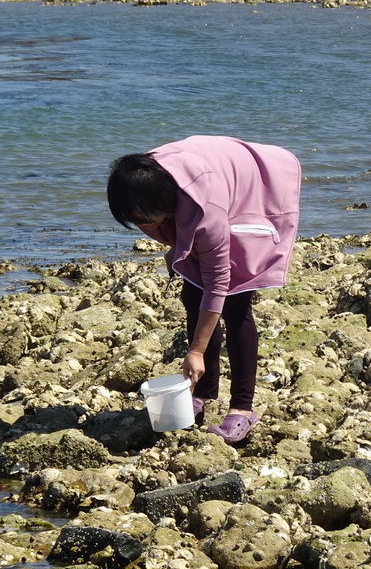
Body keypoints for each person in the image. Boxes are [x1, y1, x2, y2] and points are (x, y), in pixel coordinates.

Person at [108, 135, 301, 444]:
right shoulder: (143, 176)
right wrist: (176, 246)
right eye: (134, 221)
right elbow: (167, 227)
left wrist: (195, 351)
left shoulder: (207, 216)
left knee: (235, 306)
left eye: (146, 220)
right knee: (192, 295)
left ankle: (242, 408)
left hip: (255, 185)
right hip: (213, 170)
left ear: (165, 205)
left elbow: (218, 282)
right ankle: (205, 394)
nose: (143, 227)